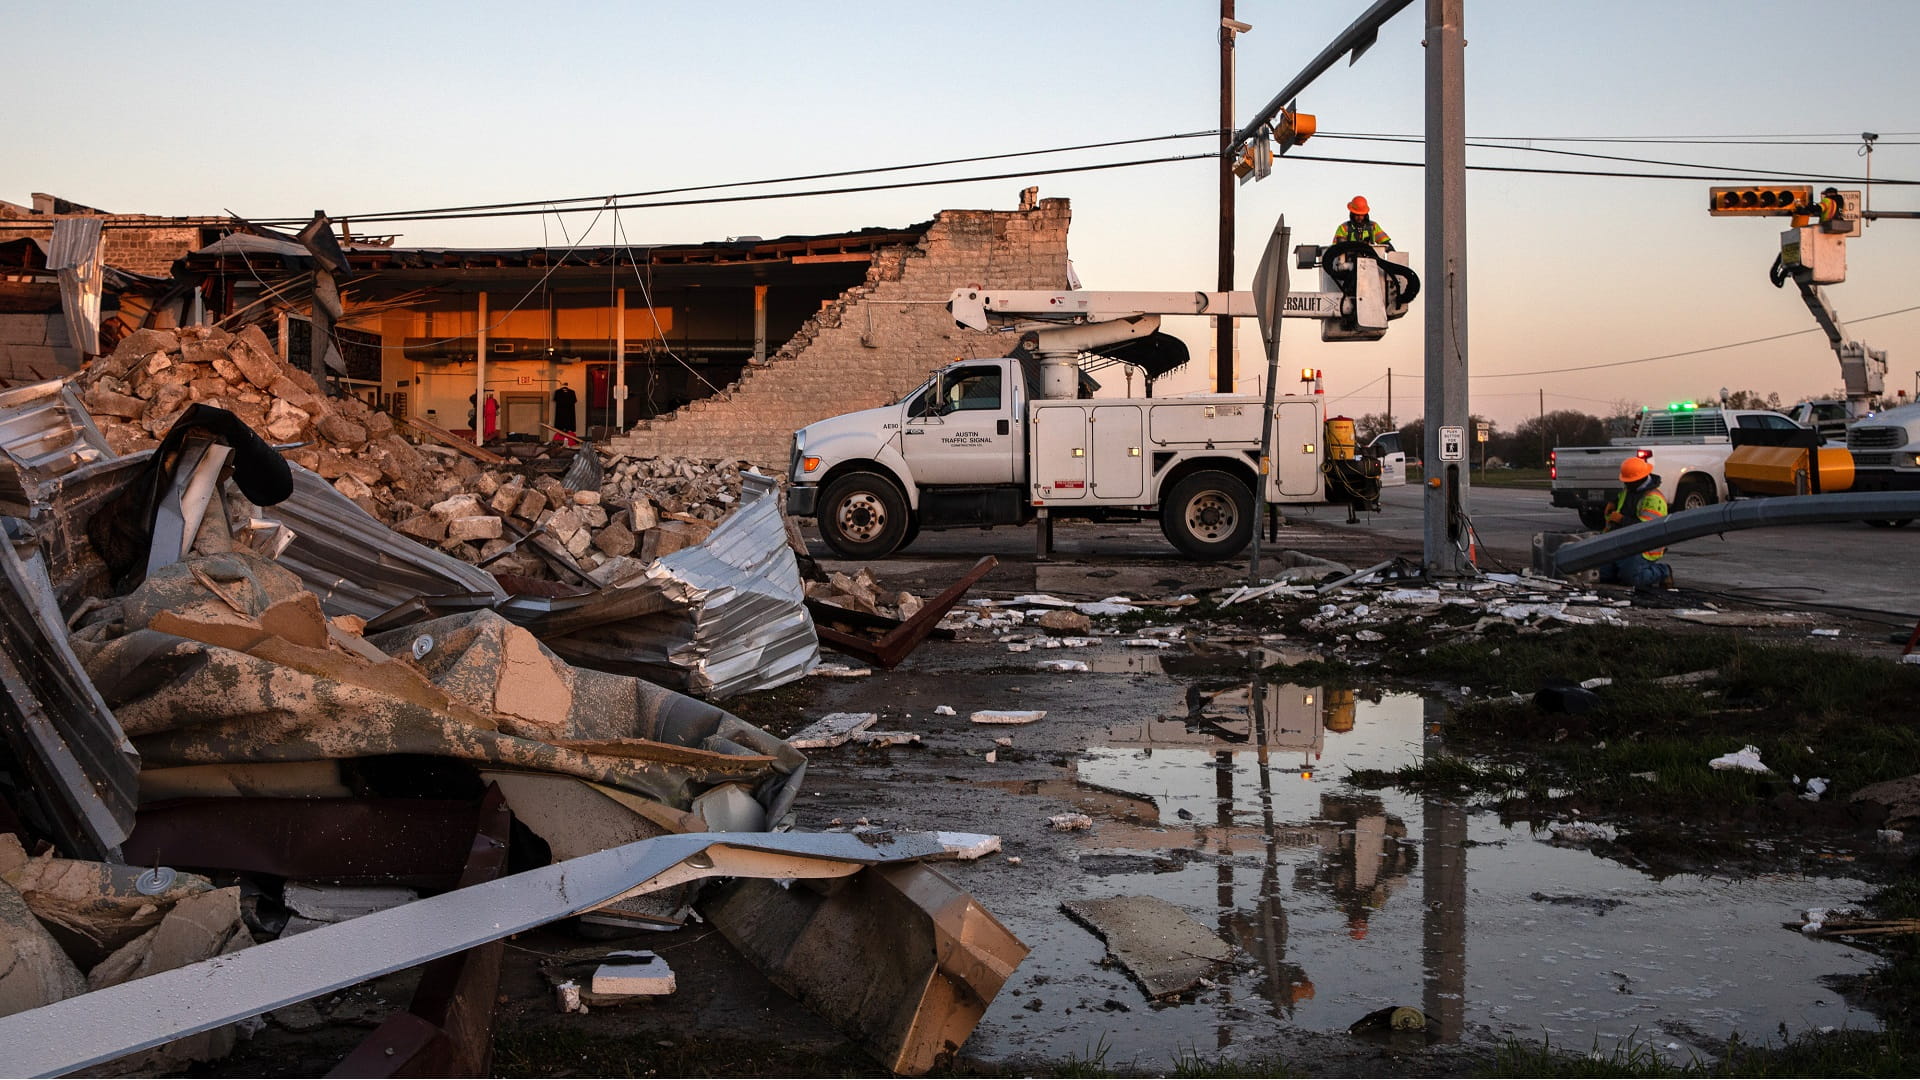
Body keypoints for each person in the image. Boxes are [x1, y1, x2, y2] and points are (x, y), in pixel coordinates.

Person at [1597, 457, 1673, 588]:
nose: (1626, 484)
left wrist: (1621, 519)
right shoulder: (1629, 491)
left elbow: (1646, 529)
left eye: (1629, 482)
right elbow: (1622, 502)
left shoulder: (1653, 499)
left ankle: (1663, 571)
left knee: (1633, 579)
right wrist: (1612, 503)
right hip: (1622, 542)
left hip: (1643, 547)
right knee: (1604, 575)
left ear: (1640, 479)